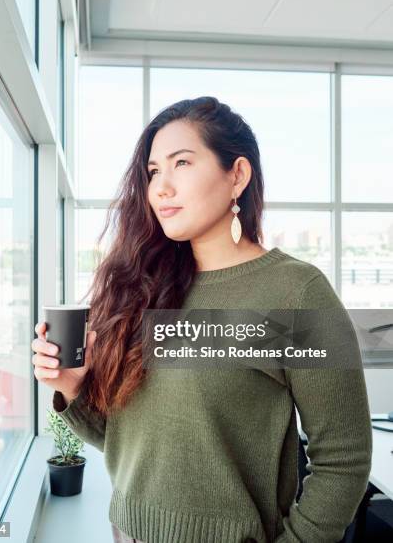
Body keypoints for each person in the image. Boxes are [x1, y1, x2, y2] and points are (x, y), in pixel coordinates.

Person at [32, 97, 372, 543]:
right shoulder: (147, 289)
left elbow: (344, 460)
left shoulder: (296, 293)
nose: (160, 188)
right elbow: (135, 445)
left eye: (182, 163)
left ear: (237, 175)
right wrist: (73, 387)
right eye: (154, 171)